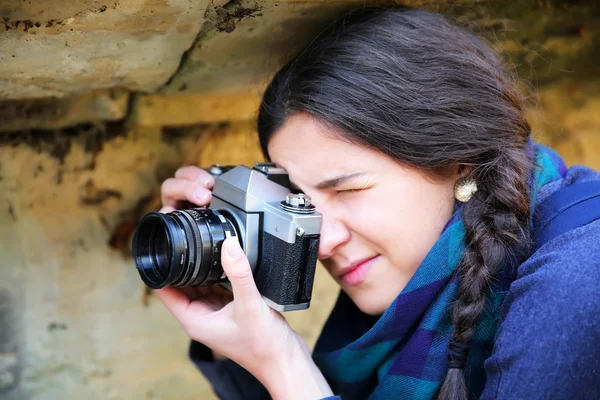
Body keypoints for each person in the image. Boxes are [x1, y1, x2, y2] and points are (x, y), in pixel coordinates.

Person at [154, 6, 600, 400]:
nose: (323, 241)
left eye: (348, 190)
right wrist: (224, 302)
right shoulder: (427, 284)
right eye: (298, 202)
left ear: (459, 158)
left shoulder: (573, 286)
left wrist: (285, 366)